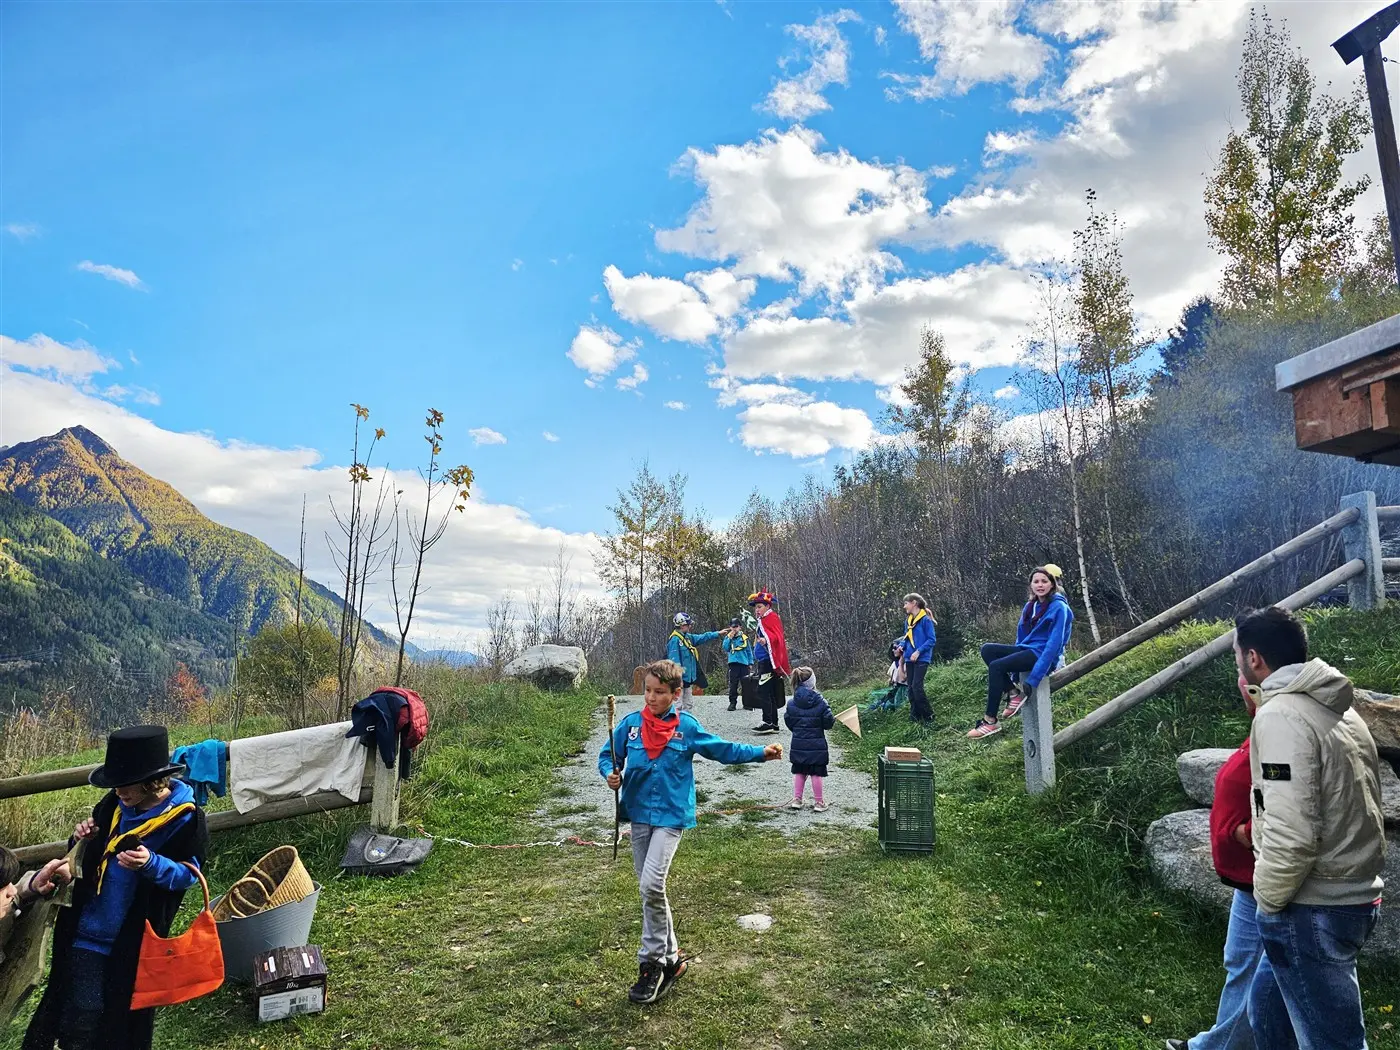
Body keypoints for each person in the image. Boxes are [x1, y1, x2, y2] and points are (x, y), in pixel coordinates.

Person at [1236, 607, 1385, 1050]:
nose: (1239, 664)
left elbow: (1291, 828)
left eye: (1238, 655)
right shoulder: (1337, 707)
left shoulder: (1282, 716)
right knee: (1266, 1011)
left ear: (1256, 659)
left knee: (1331, 1042)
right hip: (1346, 893)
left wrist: (1266, 898)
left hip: (1312, 905)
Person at [599, 659, 781, 1004]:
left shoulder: (687, 727)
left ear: (675, 693)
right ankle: (671, 960)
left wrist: (760, 753)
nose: (650, 698)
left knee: (652, 884)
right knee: (649, 890)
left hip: (671, 817)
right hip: (638, 815)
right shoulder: (631, 725)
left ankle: (650, 963)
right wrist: (611, 773)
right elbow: (609, 755)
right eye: (647, 691)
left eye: (659, 692)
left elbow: (722, 749)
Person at [23, 725, 208, 1050]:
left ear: (152, 781)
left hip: (135, 941)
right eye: (115, 784)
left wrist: (151, 863)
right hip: (87, 933)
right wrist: (81, 839)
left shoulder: (184, 820)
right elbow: (85, 860)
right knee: (83, 1010)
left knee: (120, 1019)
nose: (118, 790)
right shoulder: (112, 807)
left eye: (125, 783)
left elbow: (188, 875)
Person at [1163, 676, 1263, 1050]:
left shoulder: (1285, 725)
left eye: (1238, 663)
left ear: (1254, 661)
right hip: (1249, 879)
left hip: (1268, 877)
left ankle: (1215, 1047)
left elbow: (1299, 801)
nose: (1236, 681)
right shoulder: (1267, 720)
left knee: (1260, 975)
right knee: (1243, 966)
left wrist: (1244, 834)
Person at [968, 565, 1074, 740]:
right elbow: (1021, 639)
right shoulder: (1030, 606)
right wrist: (1015, 677)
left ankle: (990, 720)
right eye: (1036, 581)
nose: (1040, 585)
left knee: (996, 667)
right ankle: (1013, 693)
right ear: (1031, 585)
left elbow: (1054, 645)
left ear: (1052, 584)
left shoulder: (1059, 608)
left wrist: (1035, 676)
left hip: (1041, 654)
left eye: (1044, 581)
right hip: (1027, 649)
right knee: (987, 649)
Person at [2, 847, 74, 1020]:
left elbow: (16, 896)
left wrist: (34, 883)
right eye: (2, 887)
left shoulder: (4, 909)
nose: (11, 892)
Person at [784, 667, 835, 813]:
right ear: (812, 683)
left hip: (798, 743)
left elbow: (789, 721)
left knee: (800, 771)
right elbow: (828, 723)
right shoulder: (821, 702)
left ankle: (797, 799)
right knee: (816, 773)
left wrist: (797, 730)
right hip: (817, 745)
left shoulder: (792, 703)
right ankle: (819, 802)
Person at [666, 613, 729, 713]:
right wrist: (678, 679)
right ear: (682, 625)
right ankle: (674, 726)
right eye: (688, 624)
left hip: (688, 679)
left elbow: (702, 637)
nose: (690, 626)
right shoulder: (675, 640)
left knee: (688, 704)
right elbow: (674, 662)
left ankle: (686, 725)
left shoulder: (687, 638)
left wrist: (717, 633)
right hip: (679, 681)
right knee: (677, 705)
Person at [747, 591, 790, 735]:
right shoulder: (763, 620)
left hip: (768, 662)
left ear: (767, 606)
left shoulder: (771, 618)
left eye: (759, 606)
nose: (757, 610)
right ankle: (774, 723)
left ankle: (768, 721)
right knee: (769, 692)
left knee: (764, 691)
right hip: (763, 661)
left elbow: (777, 637)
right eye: (756, 607)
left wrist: (767, 640)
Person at [900, 593, 937, 724]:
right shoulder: (908, 621)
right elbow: (906, 638)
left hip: (922, 658)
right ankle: (915, 715)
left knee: (917, 687)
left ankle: (929, 715)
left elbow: (932, 640)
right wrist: (901, 646)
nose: (904, 607)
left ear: (914, 603)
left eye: (906, 603)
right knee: (910, 688)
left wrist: (918, 651)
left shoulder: (925, 620)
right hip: (910, 658)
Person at [721, 617, 753, 712]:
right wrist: (729, 638)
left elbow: (749, 651)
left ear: (740, 627)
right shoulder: (729, 637)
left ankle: (747, 703)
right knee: (733, 684)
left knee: (746, 685)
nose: (734, 628)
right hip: (733, 664)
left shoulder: (744, 638)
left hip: (744, 664)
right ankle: (732, 703)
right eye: (732, 626)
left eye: (736, 626)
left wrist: (750, 662)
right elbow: (726, 648)